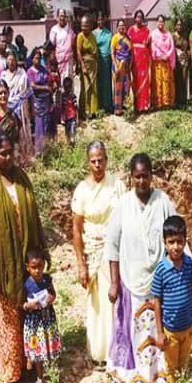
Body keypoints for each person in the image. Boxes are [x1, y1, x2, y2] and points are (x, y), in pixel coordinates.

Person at [0, 133, 48, 383]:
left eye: (10, 152)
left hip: (26, 257)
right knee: (8, 316)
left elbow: (34, 216)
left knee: (30, 312)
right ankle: (11, 371)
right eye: (2, 153)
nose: (7, 158)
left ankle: (32, 363)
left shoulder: (21, 179)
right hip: (3, 263)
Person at [106, 153, 179, 383]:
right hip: (131, 280)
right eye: (136, 177)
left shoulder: (163, 202)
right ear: (130, 177)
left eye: (145, 176)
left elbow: (177, 234)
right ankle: (133, 380)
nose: (141, 181)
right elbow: (113, 247)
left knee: (158, 330)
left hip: (159, 282)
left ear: (151, 176)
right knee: (133, 330)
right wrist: (114, 282)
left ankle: (159, 378)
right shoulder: (123, 206)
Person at [70, 141, 126, 366]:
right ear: (87, 162)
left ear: (106, 159)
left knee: (115, 298)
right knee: (98, 302)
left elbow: (125, 217)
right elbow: (76, 228)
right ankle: (99, 352)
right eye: (93, 161)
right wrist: (81, 264)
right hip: (92, 250)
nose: (97, 164)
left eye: (100, 159)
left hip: (114, 250)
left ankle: (117, 351)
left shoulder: (117, 185)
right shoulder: (82, 190)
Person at [152, 215, 192, 383]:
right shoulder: (161, 270)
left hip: (187, 327)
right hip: (170, 330)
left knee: (184, 364)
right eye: (171, 242)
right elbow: (157, 302)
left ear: (185, 241)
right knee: (171, 367)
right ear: (165, 243)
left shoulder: (188, 264)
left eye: (180, 241)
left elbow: (191, 290)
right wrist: (160, 333)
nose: (176, 247)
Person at [22, 247, 61, 383]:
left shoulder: (46, 279)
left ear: (44, 265)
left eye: (40, 267)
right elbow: (22, 303)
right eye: (33, 267)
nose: (37, 271)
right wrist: (28, 305)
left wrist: (49, 299)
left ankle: (52, 372)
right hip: (34, 322)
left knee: (49, 344)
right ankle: (39, 377)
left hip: (47, 318)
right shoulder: (27, 283)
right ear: (27, 267)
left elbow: (53, 293)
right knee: (37, 349)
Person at [1, 52, 34, 165]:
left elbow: (28, 92)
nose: (11, 62)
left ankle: (25, 158)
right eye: (9, 60)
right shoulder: (3, 75)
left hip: (21, 106)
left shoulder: (22, 74)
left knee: (22, 132)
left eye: (13, 59)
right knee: (10, 133)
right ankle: (12, 158)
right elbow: (1, 91)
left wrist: (31, 109)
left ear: (16, 60)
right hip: (7, 107)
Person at [27, 48, 54, 156]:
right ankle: (39, 150)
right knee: (39, 125)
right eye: (36, 58)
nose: (38, 60)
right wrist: (46, 88)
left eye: (39, 58)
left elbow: (49, 81)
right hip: (36, 101)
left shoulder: (43, 69)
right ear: (32, 59)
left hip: (45, 100)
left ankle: (46, 149)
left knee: (46, 124)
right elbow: (33, 86)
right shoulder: (30, 71)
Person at [128, 10, 151, 113]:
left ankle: (144, 106)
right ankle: (136, 106)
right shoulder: (131, 30)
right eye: (137, 17)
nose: (139, 19)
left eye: (141, 17)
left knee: (144, 81)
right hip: (134, 58)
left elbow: (149, 45)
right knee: (136, 80)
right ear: (135, 18)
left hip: (144, 58)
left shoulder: (146, 30)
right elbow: (128, 45)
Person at [76, 15, 99, 120]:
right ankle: (85, 111)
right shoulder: (80, 36)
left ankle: (93, 112)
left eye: (86, 25)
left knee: (93, 88)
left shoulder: (92, 36)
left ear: (90, 26)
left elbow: (95, 51)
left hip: (93, 65)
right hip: (84, 65)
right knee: (86, 88)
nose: (84, 28)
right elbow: (78, 51)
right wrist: (82, 66)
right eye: (82, 26)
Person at [150, 14, 175, 110]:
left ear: (164, 23)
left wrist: (167, 55)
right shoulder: (153, 34)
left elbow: (172, 47)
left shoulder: (168, 34)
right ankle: (158, 103)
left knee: (166, 81)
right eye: (159, 21)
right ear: (157, 22)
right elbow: (153, 48)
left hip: (166, 62)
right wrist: (161, 56)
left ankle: (167, 102)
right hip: (157, 63)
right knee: (158, 82)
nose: (161, 23)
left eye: (162, 21)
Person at [110, 19, 132, 116]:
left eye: (123, 25)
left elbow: (131, 53)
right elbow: (112, 52)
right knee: (118, 87)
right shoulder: (115, 37)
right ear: (117, 27)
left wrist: (130, 65)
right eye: (119, 25)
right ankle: (117, 109)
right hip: (117, 65)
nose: (121, 27)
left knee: (126, 86)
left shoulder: (128, 38)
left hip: (126, 66)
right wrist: (115, 64)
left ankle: (126, 106)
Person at [93, 12, 113, 113]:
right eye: (99, 20)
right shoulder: (93, 33)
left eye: (102, 19)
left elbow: (111, 48)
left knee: (107, 82)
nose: (100, 21)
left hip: (107, 60)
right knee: (99, 82)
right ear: (96, 21)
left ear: (104, 20)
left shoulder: (109, 33)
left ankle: (108, 105)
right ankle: (100, 105)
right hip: (97, 60)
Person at [49, 9, 75, 81]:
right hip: (58, 60)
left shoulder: (69, 29)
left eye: (64, 16)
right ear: (57, 17)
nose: (62, 18)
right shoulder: (54, 30)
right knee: (60, 82)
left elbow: (72, 44)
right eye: (60, 16)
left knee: (69, 81)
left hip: (68, 60)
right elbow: (51, 46)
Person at [172, 18, 189, 107]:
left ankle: (183, 100)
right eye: (178, 25)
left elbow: (187, 48)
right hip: (176, 61)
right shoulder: (173, 36)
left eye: (181, 25)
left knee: (184, 79)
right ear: (175, 26)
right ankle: (176, 100)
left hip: (184, 60)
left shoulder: (184, 36)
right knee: (177, 80)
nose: (179, 26)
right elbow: (171, 48)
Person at [61, 77, 78, 144]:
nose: (67, 90)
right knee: (67, 131)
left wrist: (77, 117)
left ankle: (72, 142)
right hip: (66, 117)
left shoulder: (73, 96)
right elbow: (62, 107)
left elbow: (76, 106)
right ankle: (69, 143)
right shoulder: (63, 96)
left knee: (72, 130)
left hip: (72, 116)